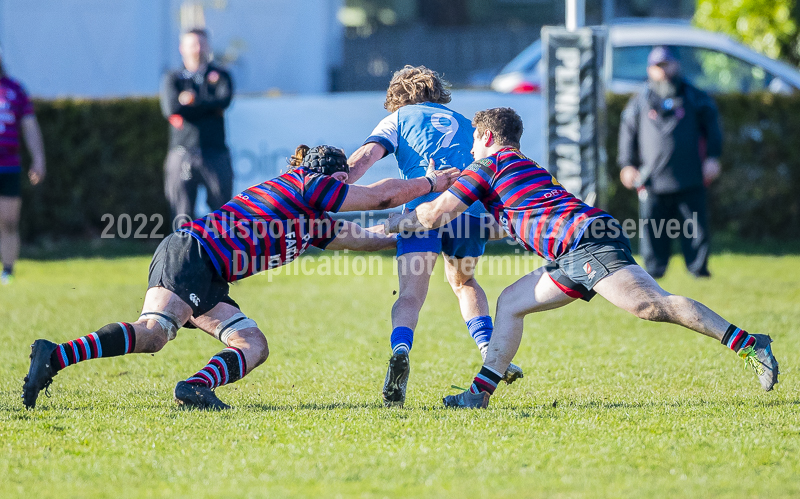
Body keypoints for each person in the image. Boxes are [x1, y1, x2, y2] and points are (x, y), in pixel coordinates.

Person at [385, 107, 778, 409]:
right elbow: (509, 225)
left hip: (586, 243)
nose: (470, 148)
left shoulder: (487, 165)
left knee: (650, 306)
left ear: (488, 136)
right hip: (574, 249)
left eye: (474, 139)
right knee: (511, 303)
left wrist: (399, 220)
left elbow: (436, 214)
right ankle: (478, 394)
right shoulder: (523, 167)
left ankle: (751, 344)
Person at [22, 145, 459, 411]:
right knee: (154, 334)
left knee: (253, 345)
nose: (343, 193)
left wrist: (420, 224)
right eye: (342, 185)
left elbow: (368, 239)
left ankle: (194, 388)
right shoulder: (305, 184)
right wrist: (432, 182)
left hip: (211, 274)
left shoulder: (312, 218)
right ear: (331, 179)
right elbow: (380, 195)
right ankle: (54, 355)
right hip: (192, 251)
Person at [347, 65, 522, 408]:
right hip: (467, 211)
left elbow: (365, 158)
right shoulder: (464, 120)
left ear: (397, 96)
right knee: (464, 283)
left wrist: (332, 184)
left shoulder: (398, 119)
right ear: (438, 91)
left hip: (421, 215)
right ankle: (490, 351)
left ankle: (401, 349)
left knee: (411, 295)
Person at [618, 46, 723, 278]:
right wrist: (627, 164)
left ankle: (698, 269)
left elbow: (713, 129)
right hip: (652, 179)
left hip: (691, 176)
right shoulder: (639, 101)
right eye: (657, 67)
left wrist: (713, 158)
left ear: (677, 65)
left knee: (695, 228)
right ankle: (654, 271)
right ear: (650, 70)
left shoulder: (695, 97)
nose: (663, 71)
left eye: (666, 65)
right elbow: (628, 133)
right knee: (653, 230)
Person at [160, 28, 234, 221]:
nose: (197, 49)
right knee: (181, 215)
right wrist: (209, 106)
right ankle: (183, 252)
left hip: (215, 152)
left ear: (208, 46)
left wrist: (191, 102)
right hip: (182, 151)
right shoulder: (173, 78)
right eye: (192, 44)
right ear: (182, 48)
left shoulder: (220, 75)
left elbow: (224, 101)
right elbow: (171, 108)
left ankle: (222, 250)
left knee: (223, 213)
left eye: (201, 43)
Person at [0, 51, 46, 285]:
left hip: (8, 165)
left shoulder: (15, 90)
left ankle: (7, 270)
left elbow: (29, 127)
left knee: (8, 220)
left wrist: (38, 158)